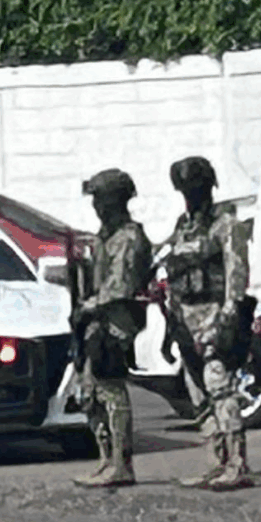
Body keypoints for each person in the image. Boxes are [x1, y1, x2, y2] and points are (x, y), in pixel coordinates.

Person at [161, 155, 253, 491]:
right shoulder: (182, 227)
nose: (191, 196)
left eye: (195, 189)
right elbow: (173, 276)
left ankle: (238, 463)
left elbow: (236, 273)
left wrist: (229, 317)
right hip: (187, 319)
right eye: (186, 190)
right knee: (198, 394)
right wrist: (172, 320)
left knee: (220, 387)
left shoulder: (225, 225)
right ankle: (216, 461)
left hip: (215, 315)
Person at [73, 168, 150, 489]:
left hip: (117, 321)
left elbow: (121, 286)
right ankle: (107, 459)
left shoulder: (129, 237)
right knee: (90, 392)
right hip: (97, 320)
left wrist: (89, 306)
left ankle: (122, 463)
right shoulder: (104, 237)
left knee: (112, 390)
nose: (96, 206)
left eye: (100, 198)